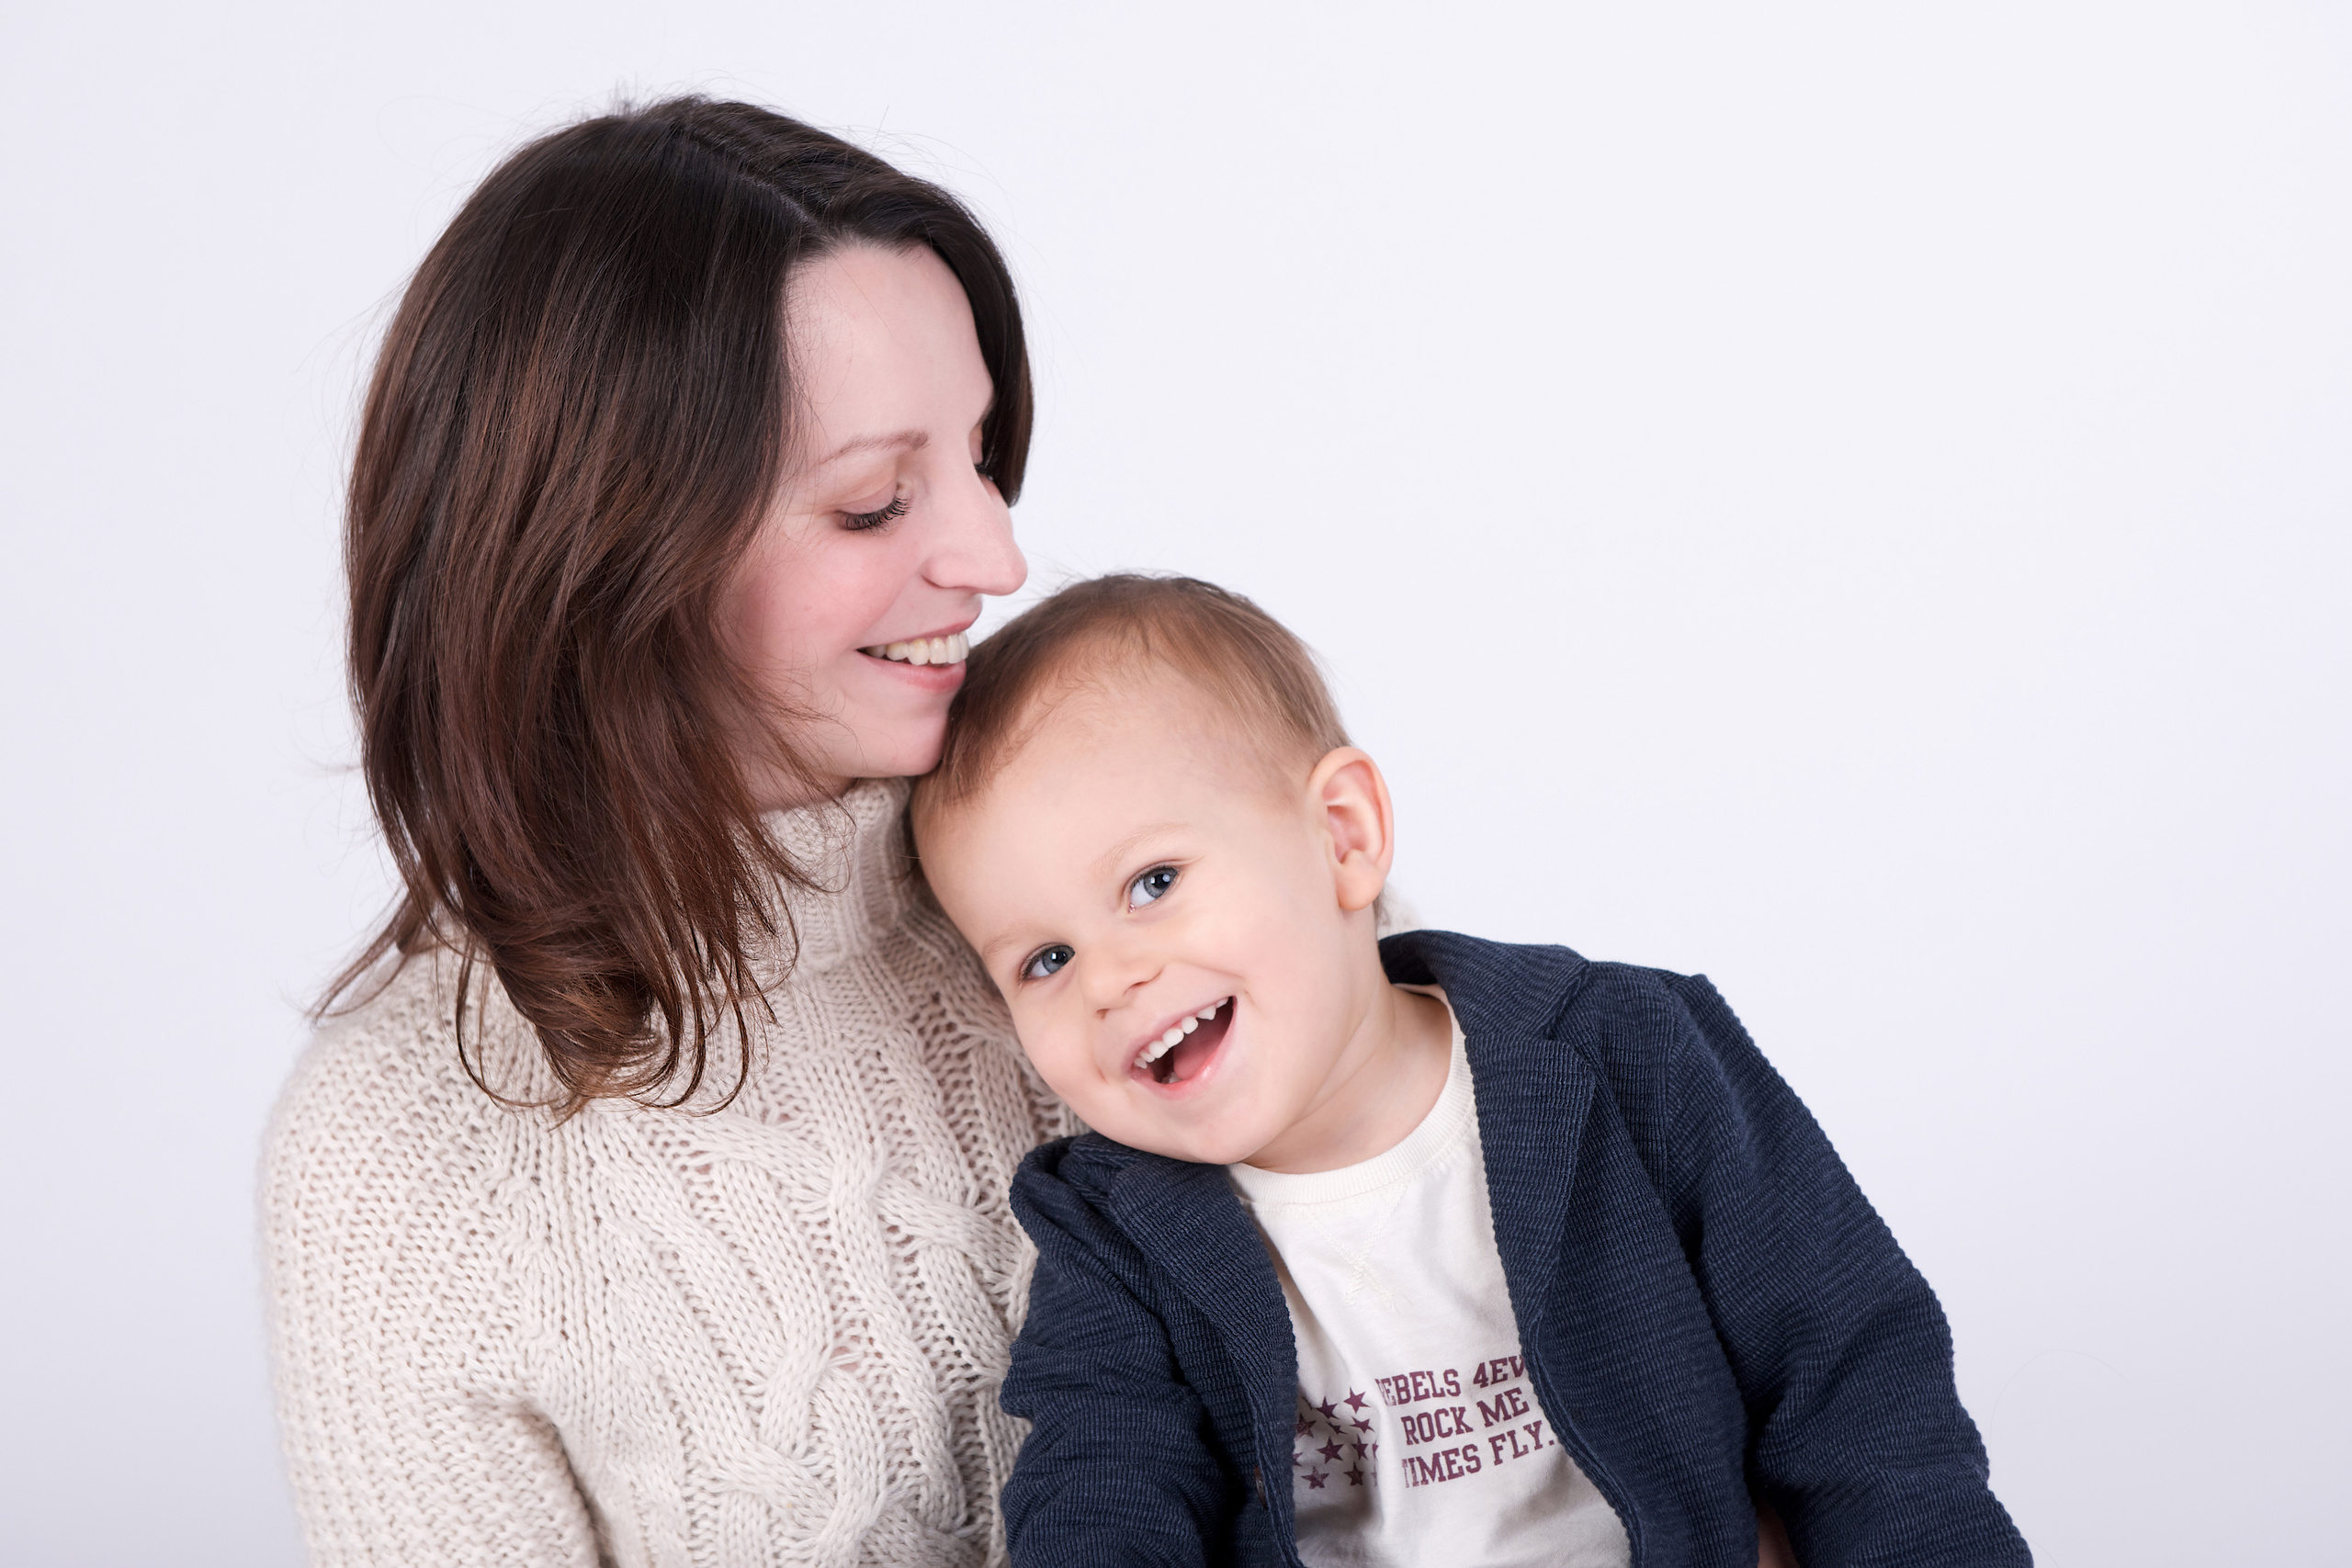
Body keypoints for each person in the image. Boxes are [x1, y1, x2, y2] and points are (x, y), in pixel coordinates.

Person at [263, 97, 1075, 1566]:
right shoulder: (403, 1159)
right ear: (611, 554)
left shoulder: (1137, 848)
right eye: (876, 501)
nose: (996, 555)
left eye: (980, 452)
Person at [909, 575, 2035, 1568]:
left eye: (1153, 883)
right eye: (1044, 960)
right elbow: (1101, 1482)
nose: (1110, 980)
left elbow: (1849, 1372)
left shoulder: (1623, 1051)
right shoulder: (1113, 1229)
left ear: (1343, 836)